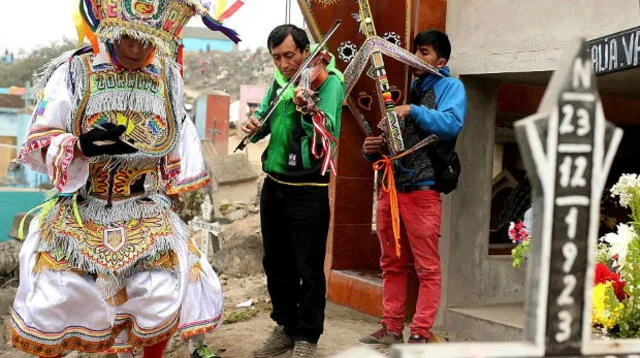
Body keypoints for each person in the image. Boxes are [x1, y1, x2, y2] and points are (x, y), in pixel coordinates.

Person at [9, 1, 238, 357]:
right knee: (54, 290)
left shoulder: (167, 76)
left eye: (148, 40)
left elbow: (177, 141)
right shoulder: (74, 71)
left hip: (144, 207)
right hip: (84, 207)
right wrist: (79, 146)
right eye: (129, 37)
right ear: (112, 28)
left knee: (167, 288)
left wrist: (175, 194)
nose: (137, 47)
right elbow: (38, 139)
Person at [241, 24, 344, 358]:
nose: (284, 64)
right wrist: (255, 125)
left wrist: (307, 108)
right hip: (275, 186)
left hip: (308, 188)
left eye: (289, 56)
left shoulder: (328, 81)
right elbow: (266, 119)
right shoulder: (281, 81)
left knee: (308, 267)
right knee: (275, 263)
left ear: (304, 51)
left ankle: (307, 336)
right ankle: (285, 326)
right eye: (277, 58)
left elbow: (327, 128)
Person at [359, 30, 467, 345]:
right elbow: (390, 144)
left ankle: (419, 332)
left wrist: (413, 110)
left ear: (441, 61)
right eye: (415, 52)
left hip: (423, 190)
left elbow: (451, 124)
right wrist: (371, 148)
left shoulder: (451, 87)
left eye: (425, 53)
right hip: (390, 189)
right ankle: (392, 327)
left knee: (427, 267)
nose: (416, 58)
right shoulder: (405, 87)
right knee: (391, 262)